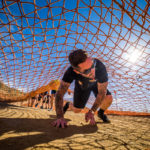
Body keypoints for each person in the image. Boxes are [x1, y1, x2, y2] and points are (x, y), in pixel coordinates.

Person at [53, 49, 113, 128]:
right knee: (77, 110)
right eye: (88, 70)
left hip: (96, 84)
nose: (93, 71)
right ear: (77, 72)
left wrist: (92, 111)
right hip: (82, 86)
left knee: (108, 97)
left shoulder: (99, 66)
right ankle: (68, 105)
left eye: (92, 65)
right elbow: (59, 94)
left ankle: (101, 113)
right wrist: (60, 117)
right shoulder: (70, 72)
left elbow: (102, 93)